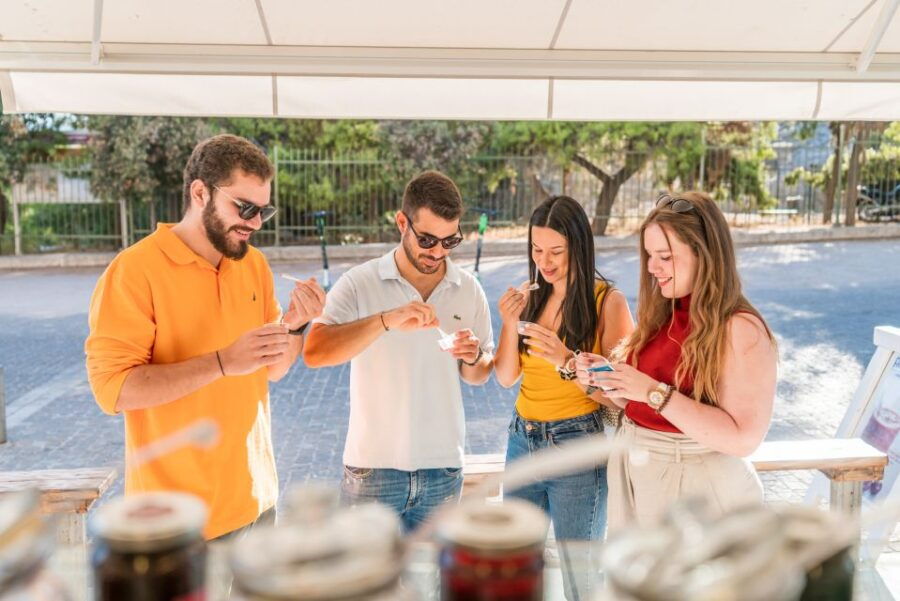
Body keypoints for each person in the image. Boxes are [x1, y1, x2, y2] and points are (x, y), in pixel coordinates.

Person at [85, 134, 325, 540]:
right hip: (175, 521)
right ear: (200, 192)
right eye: (244, 207)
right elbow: (112, 389)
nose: (253, 222)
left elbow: (274, 370)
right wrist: (220, 363)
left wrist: (297, 325)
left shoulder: (254, 265)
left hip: (257, 502)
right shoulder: (134, 270)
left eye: (262, 211)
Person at [303, 170, 494, 533]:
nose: (437, 252)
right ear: (401, 223)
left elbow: (479, 373)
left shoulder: (468, 289)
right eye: (427, 239)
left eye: (450, 241)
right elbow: (315, 353)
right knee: (365, 584)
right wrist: (386, 319)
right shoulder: (360, 282)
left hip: (443, 468)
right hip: (372, 469)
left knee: (434, 587)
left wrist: (472, 356)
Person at [582, 191, 776, 532]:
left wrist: (655, 392)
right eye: (649, 255)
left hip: (696, 492)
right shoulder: (667, 310)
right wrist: (611, 381)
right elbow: (647, 405)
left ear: (703, 254)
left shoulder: (740, 327)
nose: (652, 267)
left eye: (665, 257)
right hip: (639, 474)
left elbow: (743, 438)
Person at [493, 195, 633, 597]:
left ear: (580, 246)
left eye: (556, 251)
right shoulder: (533, 297)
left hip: (576, 446)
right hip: (522, 440)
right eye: (536, 250)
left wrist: (567, 359)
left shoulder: (608, 302)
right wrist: (507, 322)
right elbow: (505, 377)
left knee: (581, 581)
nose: (545, 262)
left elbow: (622, 396)